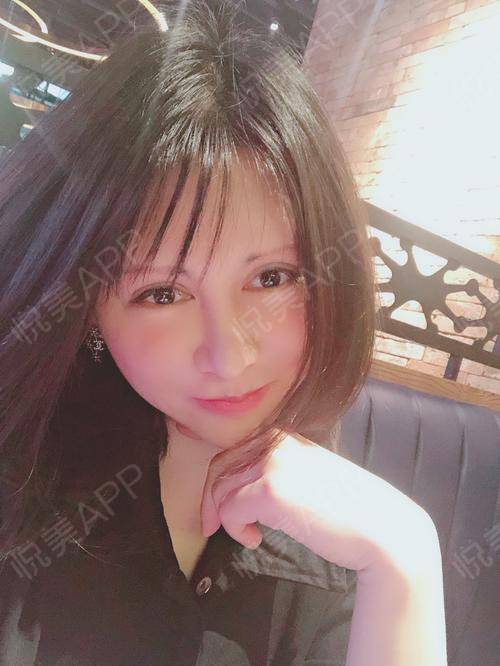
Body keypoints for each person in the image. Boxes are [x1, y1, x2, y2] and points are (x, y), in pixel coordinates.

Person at [0, 0, 447, 664]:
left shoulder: (339, 535)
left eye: (272, 277)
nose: (229, 356)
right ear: (88, 308)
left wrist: (406, 560)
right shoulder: (27, 492)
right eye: (162, 293)